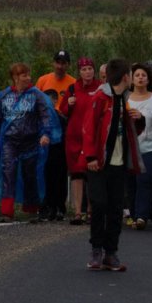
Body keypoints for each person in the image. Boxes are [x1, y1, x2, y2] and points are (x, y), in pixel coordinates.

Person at [82, 58, 145, 272]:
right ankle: (96, 249)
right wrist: (90, 156)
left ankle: (111, 252)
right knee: (99, 204)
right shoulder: (101, 97)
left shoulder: (124, 99)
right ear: (126, 77)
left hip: (120, 161)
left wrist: (138, 120)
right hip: (99, 162)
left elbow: (129, 131)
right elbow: (89, 127)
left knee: (116, 208)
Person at [0, 63, 63, 222]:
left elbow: (45, 116)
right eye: (24, 75)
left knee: (30, 174)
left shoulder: (37, 96)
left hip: (31, 142)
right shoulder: (3, 96)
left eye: (28, 75)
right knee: (8, 173)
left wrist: (46, 134)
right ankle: (6, 212)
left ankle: (31, 209)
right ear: (15, 77)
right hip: (9, 141)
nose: (28, 78)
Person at [35, 50, 77, 221]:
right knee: (45, 167)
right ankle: (46, 205)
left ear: (68, 65)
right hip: (45, 126)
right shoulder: (43, 80)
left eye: (64, 63)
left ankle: (60, 206)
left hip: (64, 125)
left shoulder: (73, 83)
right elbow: (35, 102)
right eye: (58, 62)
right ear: (54, 63)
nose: (60, 66)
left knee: (60, 168)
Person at [127, 63, 152, 229]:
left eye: (144, 75)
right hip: (130, 147)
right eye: (137, 75)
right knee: (131, 182)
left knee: (146, 179)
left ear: (149, 78)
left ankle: (142, 216)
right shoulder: (125, 98)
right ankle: (134, 214)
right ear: (131, 79)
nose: (141, 78)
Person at [63, 57, 101, 224]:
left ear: (94, 70)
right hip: (74, 137)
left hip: (92, 137)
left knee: (91, 174)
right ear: (79, 72)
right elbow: (63, 111)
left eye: (90, 69)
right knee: (77, 174)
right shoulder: (72, 88)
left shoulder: (100, 88)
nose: (87, 72)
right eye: (84, 69)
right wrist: (69, 104)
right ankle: (78, 211)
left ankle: (91, 211)